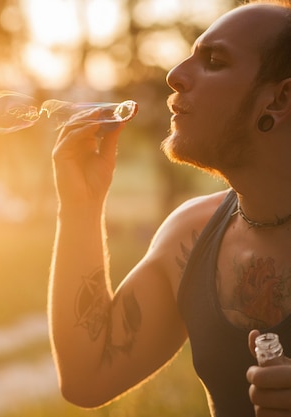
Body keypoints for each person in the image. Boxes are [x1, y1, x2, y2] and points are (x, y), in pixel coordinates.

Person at [48, 1, 291, 416]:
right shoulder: (191, 234)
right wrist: (81, 205)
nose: (175, 75)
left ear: (280, 98)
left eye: (214, 60)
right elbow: (88, 377)